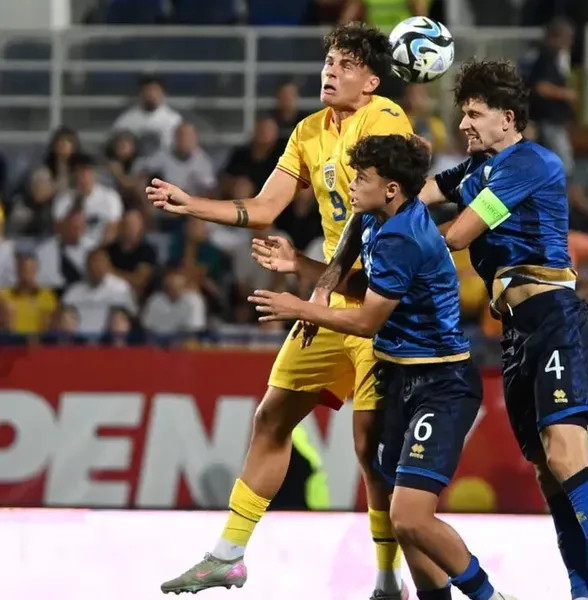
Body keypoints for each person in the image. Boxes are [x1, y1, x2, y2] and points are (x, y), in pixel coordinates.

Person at [152, 22, 417, 598]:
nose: (331, 71)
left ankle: (386, 577)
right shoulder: (308, 131)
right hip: (329, 294)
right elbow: (266, 207)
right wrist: (191, 204)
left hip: (381, 303)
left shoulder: (386, 119)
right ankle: (228, 556)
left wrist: (316, 278)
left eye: (346, 65)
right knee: (271, 418)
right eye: (329, 61)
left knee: (369, 446)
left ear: (372, 81)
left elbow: (372, 214)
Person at [387, 59, 588, 600]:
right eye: (462, 113)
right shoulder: (474, 171)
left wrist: (396, 249)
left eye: (475, 114)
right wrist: (392, 181)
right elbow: (415, 195)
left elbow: (458, 235)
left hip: (554, 318)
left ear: (508, 119)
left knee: (566, 456)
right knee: (547, 471)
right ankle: (583, 592)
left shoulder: (532, 163)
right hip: (516, 334)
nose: (464, 124)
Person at [248, 135, 514, 600]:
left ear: (391, 188)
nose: (351, 185)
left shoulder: (403, 235)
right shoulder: (379, 220)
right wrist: (302, 266)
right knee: (400, 515)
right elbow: (369, 287)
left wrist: (300, 307)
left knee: (410, 516)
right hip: (401, 380)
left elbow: (368, 320)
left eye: (362, 178)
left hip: (440, 384)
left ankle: (490, 597)